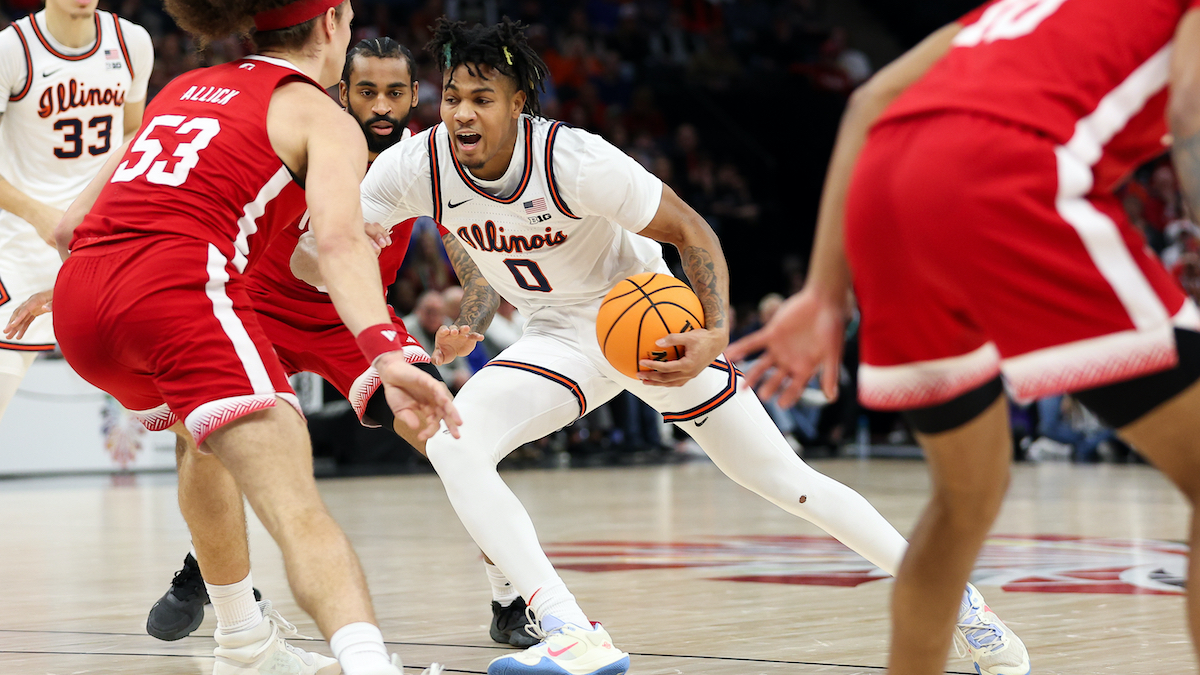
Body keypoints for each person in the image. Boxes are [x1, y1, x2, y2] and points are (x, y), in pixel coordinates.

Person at [356, 17, 1027, 675]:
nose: (462, 113)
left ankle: (963, 605)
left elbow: (692, 230)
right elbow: (337, 244)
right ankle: (569, 629)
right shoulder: (417, 165)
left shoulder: (574, 159)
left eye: (482, 98)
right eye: (452, 97)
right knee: (454, 442)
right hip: (558, 337)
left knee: (786, 481)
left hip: (647, 324)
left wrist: (713, 333)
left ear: (519, 102)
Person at [728, 0, 1200, 672]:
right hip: (1009, 173)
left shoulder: (1018, 10)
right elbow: (1190, 113)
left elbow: (868, 101)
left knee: (965, 500)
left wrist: (825, 288)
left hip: (886, 190)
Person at [48, 2, 459, 674]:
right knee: (296, 504)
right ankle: (367, 664)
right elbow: (338, 245)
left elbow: (69, 228)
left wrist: (90, 288)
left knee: (200, 444)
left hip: (80, 302)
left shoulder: (184, 87)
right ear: (330, 25)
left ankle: (243, 640)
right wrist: (386, 348)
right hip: (176, 294)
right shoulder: (322, 116)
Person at [121, 36, 535, 652]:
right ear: (342, 92)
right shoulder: (304, 135)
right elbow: (297, 255)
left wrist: (469, 322)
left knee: (453, 438)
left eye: (394, 92)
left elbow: (476, 271)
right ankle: (204, 568)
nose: (381, 105)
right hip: (258, 308)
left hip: (355, 323)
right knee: (204, 443)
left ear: (413, 96)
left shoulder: (427, 163)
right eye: (366, 90)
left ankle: (509, 597)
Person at [0, 0, 151, 419]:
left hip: (100, 247)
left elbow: (133, 134)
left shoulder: (131, 41)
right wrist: (38, 214)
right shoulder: (12, 49)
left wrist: (105, 207)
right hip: (19, 249)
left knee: (180, 412)